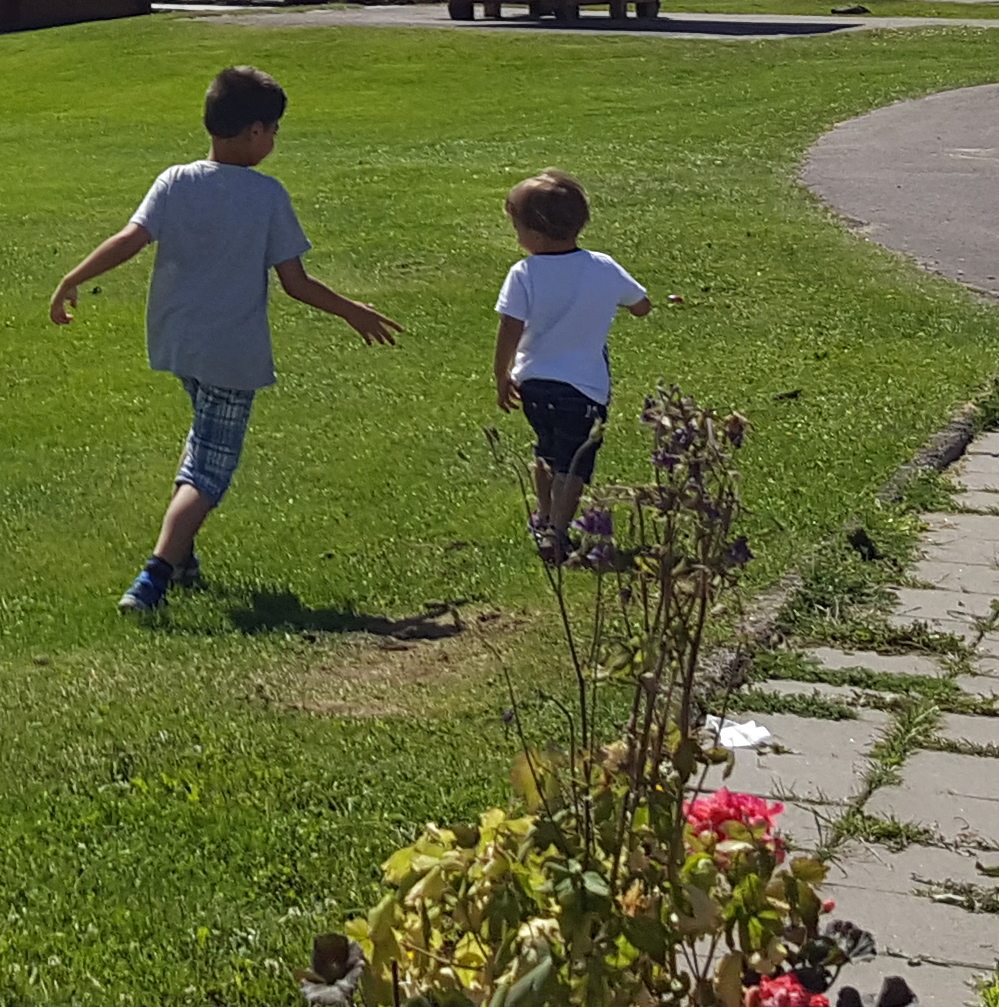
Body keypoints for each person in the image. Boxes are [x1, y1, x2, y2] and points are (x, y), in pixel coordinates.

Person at [47, 62, 403, 612]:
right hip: (231, 353)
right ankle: (154, 577)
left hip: (179, 342)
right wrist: (351, 311)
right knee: (209, 472)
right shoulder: (266, 196)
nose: (275, 140)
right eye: (274, 130)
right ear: (255, 131)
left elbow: (130, 238)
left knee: (203, 440)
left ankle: (182, 558)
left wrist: (72, 278)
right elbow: (296, 283)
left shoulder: (175, 180)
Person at [489, 167, 651, 550]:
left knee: (545, 452)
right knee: (573, 463)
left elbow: (510, 327)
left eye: (517, 229)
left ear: (535, 235)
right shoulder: (602, 266)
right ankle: (557, 533)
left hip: (534, 383)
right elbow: (641, 305)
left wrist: (501, 374)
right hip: (584, 389)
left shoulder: (524, 273)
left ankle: (545, 517)